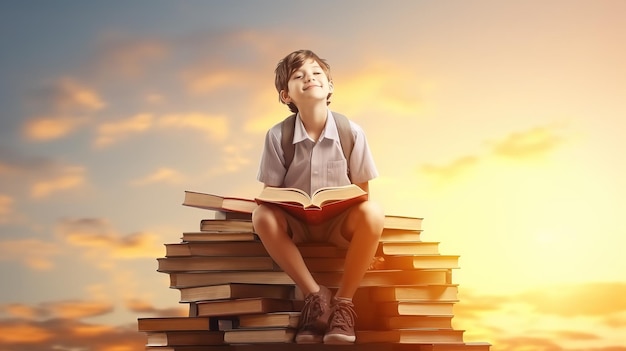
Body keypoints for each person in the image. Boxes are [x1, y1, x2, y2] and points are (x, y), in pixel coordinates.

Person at [252, 49, 384, 344]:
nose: (309, 78)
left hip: (339, 223)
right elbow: (269, 193)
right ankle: (315, 295)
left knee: (373, 212)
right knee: (260, 214)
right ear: (286, 96)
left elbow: (362, 191)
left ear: (330, 87)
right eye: (299, 76)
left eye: (316, 73)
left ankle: (344, 305)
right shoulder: (277, 136)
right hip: (296, 222)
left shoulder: (351, 132)